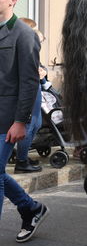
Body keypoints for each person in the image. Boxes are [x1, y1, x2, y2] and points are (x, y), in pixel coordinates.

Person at [0, 0, 49, 242]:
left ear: (12, 0)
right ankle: (31, 209)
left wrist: (21, 121)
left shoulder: (24, 34)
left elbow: (29, 82)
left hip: (7, 120)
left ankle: (31, 209)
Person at [13, 18, 44, 173]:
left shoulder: (28, 42)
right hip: (28, 88)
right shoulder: (22, 41)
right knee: (29, 124)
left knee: (36, 124)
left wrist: (42, 69)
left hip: (35, 86)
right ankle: (21, 161)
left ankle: (22, 156)